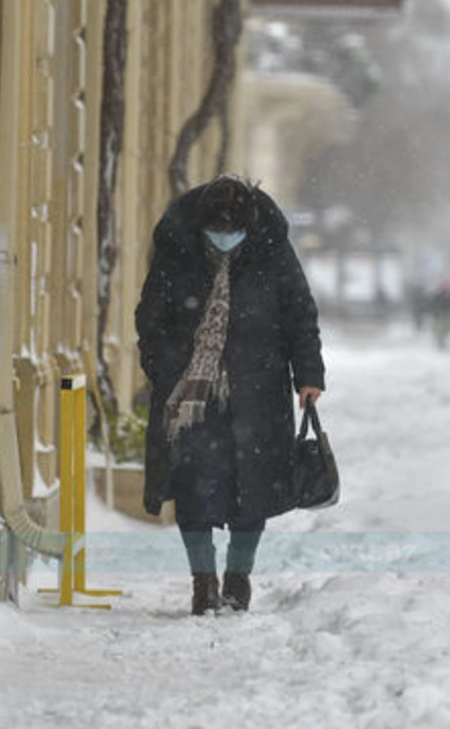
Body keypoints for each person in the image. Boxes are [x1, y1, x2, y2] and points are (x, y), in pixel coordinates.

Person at [135, 175, 326, 616]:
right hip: (190, 397)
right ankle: (203, 581)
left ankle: (238, 579)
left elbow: (300, 313)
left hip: (257, 389)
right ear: (201, 226)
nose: (225, 240)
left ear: (249, 225)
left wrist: (308, 375)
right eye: (216, 232)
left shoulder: (272, 252)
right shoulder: (177, 253)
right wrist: (166, 371)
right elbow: (151, 319)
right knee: (194, 487)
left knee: (252, 489)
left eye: (232, 231)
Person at [430, 280, 450, 350]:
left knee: (445, 328)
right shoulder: (439, 295)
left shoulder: (449, 296)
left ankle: (442, 340)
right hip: (440, 314)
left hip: (445, 314)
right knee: (441, 328)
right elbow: (434, 304)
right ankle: (441, 341)